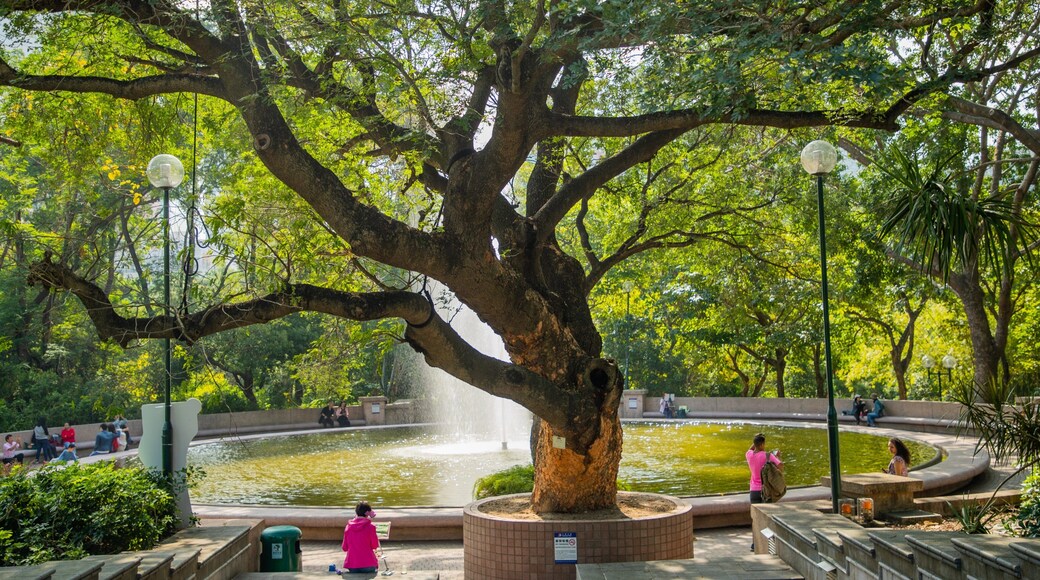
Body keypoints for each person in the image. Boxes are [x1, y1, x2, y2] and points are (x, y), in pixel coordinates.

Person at [342, 501, 381, 573]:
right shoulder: (371, 527)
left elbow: (344, 548)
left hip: (352, 566)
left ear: (356, 512)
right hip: (369, 565)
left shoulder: (348, 527)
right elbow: (374, 545)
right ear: (368, 514)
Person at [746, 433, 783, 505]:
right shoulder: (768, 455)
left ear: (754, 443)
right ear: (762, 444)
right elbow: (781, 466)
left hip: (753, 491)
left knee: (756, 514)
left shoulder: (749, 454)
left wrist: (757, 438)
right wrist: (778, 457)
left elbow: (751, 449)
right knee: (767, 514)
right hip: (766, 491)